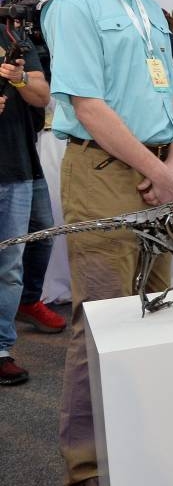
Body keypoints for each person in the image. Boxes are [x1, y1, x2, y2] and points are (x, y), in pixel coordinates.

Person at [42, 0, 173, 486]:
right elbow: (88, 106)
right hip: (103, 172)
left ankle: (143, 439)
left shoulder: (147, 7)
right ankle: (87, 465)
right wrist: (157, 173)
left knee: (154, 307)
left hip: (159, 173)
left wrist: (172, 166)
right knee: (103, 317)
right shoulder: (75, 4)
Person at [0, 23, 54, 385]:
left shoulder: (12, 36)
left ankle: (2, 346)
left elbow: (42, 95)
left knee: (11, 265)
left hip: (17, 166)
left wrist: (19, 79)